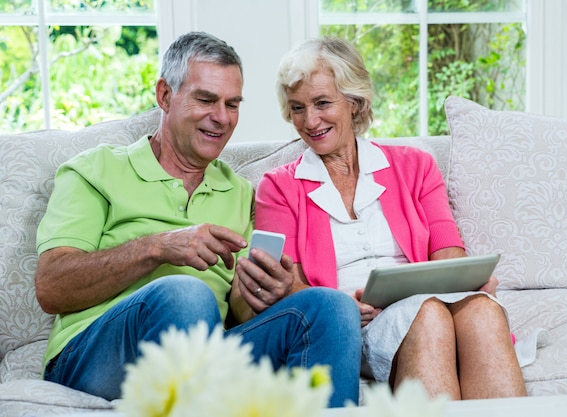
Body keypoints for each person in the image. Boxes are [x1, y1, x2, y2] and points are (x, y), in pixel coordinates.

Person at [34, 31, 361, 408]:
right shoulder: (96, 170)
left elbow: (239, 310)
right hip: (95, 353)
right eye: (205, 99)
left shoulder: (239, 192)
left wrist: (266, 290)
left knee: (331, 307)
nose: (221, 118)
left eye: (232, 104)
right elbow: (51, 286)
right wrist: (157, 247)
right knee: (185, 293)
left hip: (209, 357)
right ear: (164, 95)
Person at [254, 37, 528, 400]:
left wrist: (468, 278)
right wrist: (339, 307)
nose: (310, 120)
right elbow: (283, 285)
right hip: (353, 324)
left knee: (482, 311)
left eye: (322, 103)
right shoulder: (278, 187)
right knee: (427, 315)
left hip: (421, 303)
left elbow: (448, 250)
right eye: (298, 108)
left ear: (354, 102)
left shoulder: (415, 166)